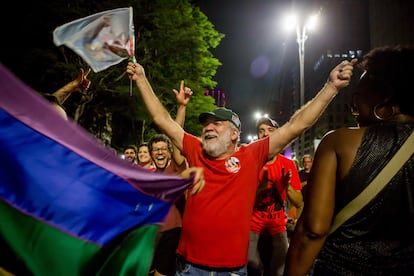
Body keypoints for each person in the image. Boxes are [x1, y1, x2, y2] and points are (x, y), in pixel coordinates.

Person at [126, 57, 356, 274]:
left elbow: (296, 126)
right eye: (206, 124)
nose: (208, 128)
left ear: (235, 134)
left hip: (232, 270)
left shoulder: (252, 155)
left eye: (217, 124)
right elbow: (162, 120)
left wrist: (330, 88)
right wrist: (142, 79)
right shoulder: (195, 149)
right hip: (188, 267)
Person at [285, 45, 414, 275]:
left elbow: (312, 230)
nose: (353, 108)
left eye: (357, 99)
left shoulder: (339, 143)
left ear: (382, 100)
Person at [248, 117, 303, 276]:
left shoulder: (288, 164)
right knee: (252, 271)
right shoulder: (251, 162)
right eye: (261, 131)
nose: (265, 134)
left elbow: (298, 202)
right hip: (253, 229)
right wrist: (260, 189)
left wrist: (286, 185)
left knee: (279, 272)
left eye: (270, 130)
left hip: (278, 229)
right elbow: (241, 200)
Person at [149, 80, 193, 276]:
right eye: (155, 150)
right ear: (150, 154)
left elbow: (177, 136)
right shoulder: (146, 175)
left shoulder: (176, 168)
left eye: (162, 149)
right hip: (150, 233)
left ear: (168, 152)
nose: (159, 152)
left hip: (172, 232)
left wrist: (181, 107)